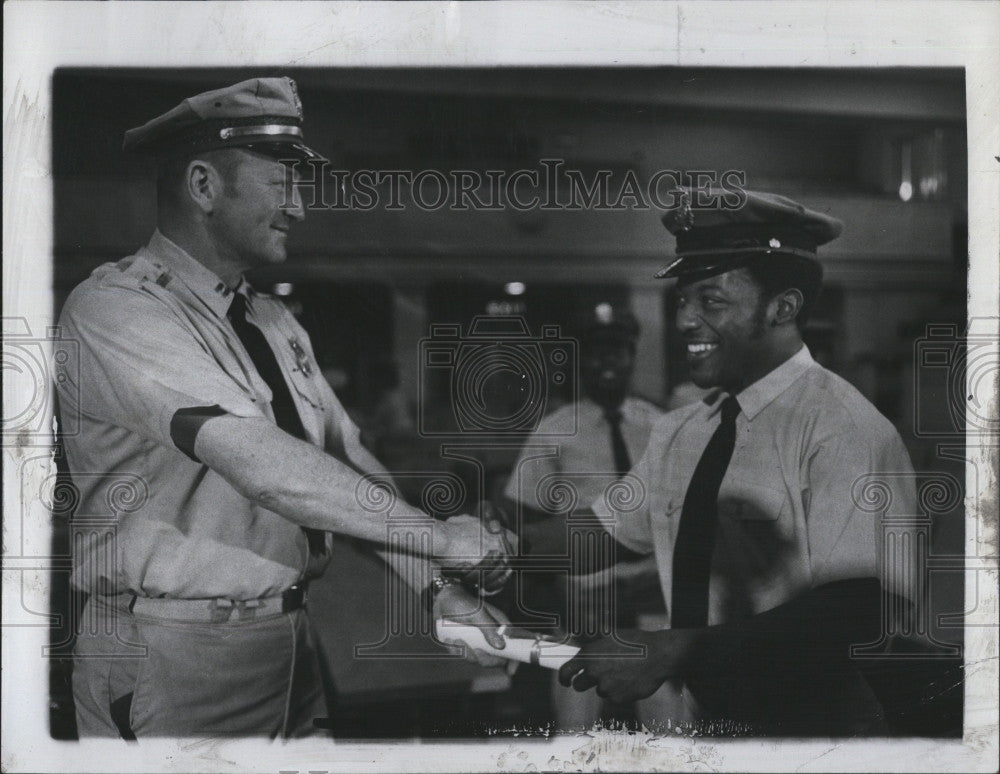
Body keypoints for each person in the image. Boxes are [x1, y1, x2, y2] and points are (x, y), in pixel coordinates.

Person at [54, 77, 513, 739]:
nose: (298, 208)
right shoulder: (117, 309)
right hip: (175, 655)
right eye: (282, 184)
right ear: (205, 185)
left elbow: (344, 459)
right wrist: (439, 537)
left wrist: (435, 586)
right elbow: (259, 462)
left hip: (290, 640)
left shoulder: (273, 322)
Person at [551, 189, 919, 736]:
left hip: (819, 733)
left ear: (782, 307)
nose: (684, 321)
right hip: (715, 725)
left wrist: (677, 649)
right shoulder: (682, 430)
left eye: (712, 301)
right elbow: (599, 534)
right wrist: (480, 549)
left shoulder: (842, 426)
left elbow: (864, 610)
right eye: (682, 300)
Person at [503, 302, 665, 729]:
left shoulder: (661, 426)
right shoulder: (555, 430)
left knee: (671, 732)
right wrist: (555, 597)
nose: (606, 361)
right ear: (581, 360)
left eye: (617, 350)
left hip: (653, 596)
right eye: (596, 351)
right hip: (582, 601)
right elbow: (524, 523)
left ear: (632, 356)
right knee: (575, 734)